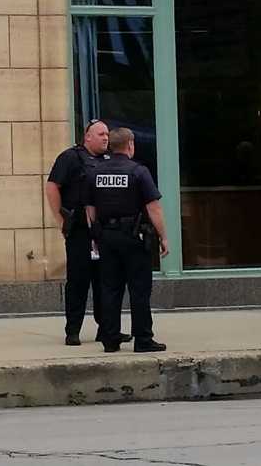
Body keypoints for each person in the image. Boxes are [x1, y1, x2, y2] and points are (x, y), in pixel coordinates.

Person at [84, 127, 169, 353]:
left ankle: (110, 339)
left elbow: (90, 207)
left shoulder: (95, 172)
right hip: (133, 237)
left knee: (110, 288)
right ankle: (143, 339)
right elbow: (154, 207)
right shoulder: (138, 171)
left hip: (107, 237)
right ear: (130, 144)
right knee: (139, 289)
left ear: (111, 145)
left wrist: (95, 235)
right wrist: (164, 236)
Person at [46, 120, 126, 346]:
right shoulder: (70, 157)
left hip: (104, 232)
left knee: (107, 282)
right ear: (87, 137)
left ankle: (108, 329)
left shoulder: (109, 160)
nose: (105, 138)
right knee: (78, 282)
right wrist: (61, 220)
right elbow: (52, 186)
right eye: (100, 134)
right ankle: (73, 331)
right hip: (80, 231)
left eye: (107, 135)